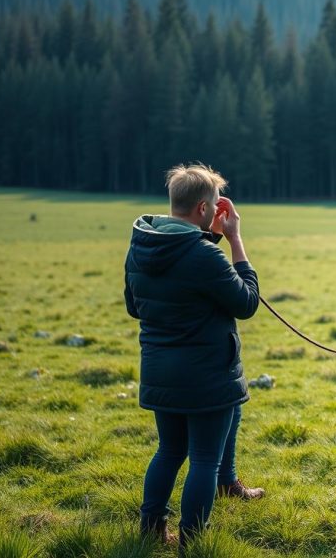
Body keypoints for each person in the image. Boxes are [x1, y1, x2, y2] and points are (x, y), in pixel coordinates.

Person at [124, 163, 264, 547]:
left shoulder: (142, 244)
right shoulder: (205, 256)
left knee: (169, 451)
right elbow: (247, 302)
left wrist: (211, 242)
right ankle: (192, 540)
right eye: (216, 206)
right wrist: (234, 239)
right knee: (204, 459)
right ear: (204, 210)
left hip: (159, 373)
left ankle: (150, 530)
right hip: (206, 377)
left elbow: (135, 306)